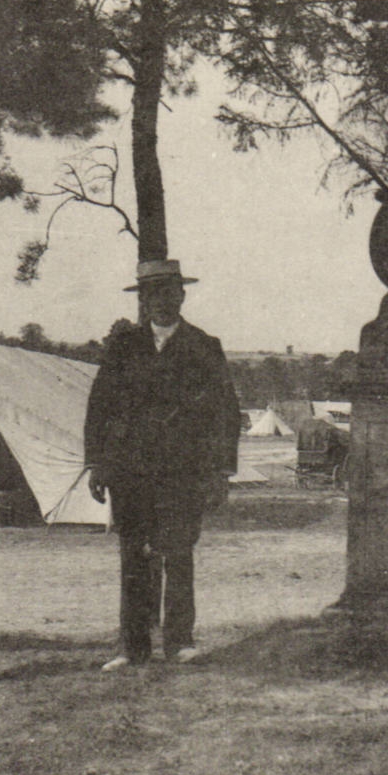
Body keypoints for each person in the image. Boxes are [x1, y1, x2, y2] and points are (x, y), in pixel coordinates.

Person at [84, 258, 241, 671]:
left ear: (182, 296)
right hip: (130, 472)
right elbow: (99, 406)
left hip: (183, 472)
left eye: (168, 293)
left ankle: (180, 642)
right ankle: (131, 647)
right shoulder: (123, 347)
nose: (160, 301)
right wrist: (97, 464)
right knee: (134, 556)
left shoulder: (205, 347)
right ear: (143, 300)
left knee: (178, 554)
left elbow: (225, 412)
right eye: (151, 294)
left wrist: (221, 473)